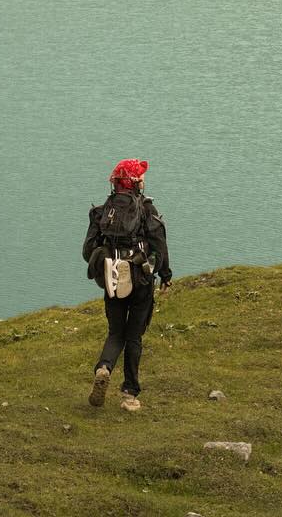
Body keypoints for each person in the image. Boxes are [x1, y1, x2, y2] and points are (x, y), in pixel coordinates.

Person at [83, 157, 171, 411]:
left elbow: (88, 250)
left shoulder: (102, 212)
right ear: (134, 183)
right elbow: (160, 246)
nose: (144, 180)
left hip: (112, 278)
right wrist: (165, 275)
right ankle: (130, 394)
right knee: (134, 336)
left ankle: (103, 367)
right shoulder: (147, 210)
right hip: (140, 280)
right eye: (141, 177)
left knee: (115, 333)